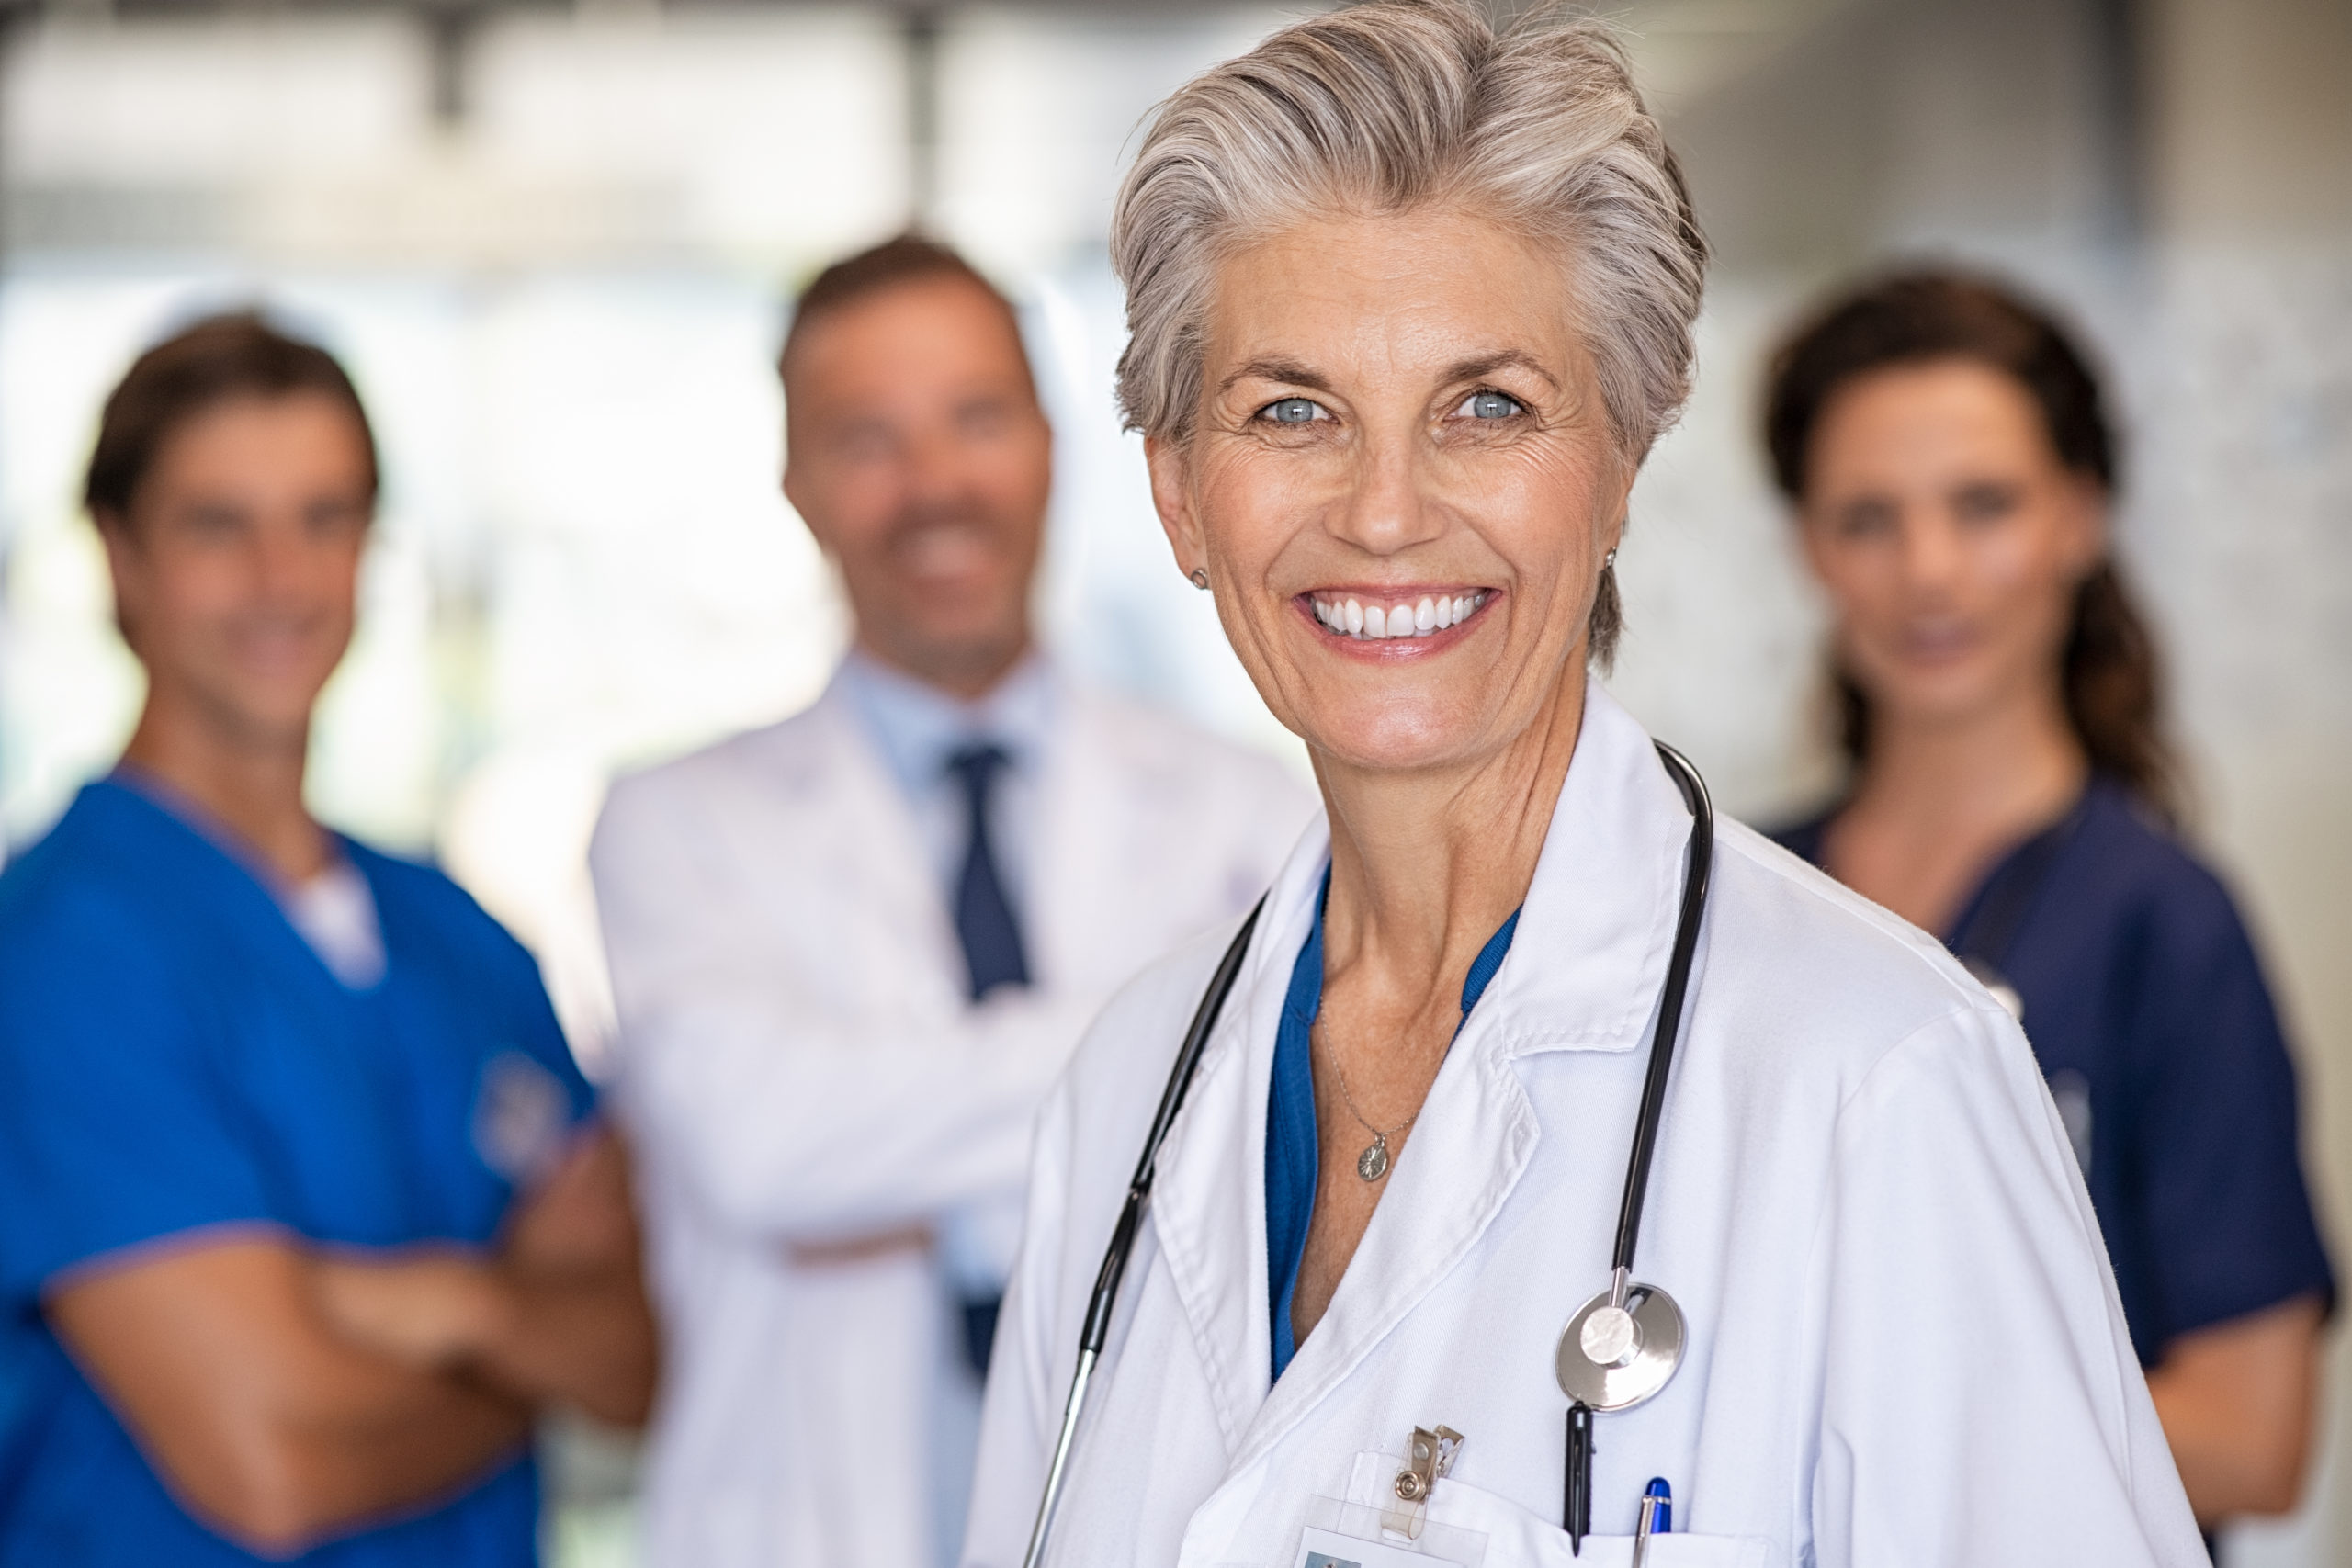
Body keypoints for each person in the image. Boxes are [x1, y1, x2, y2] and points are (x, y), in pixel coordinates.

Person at [961, 6, 2207, 1565]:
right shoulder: (1133, 1090)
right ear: (1178, 497)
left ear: (1617, 467)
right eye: (1292, 409)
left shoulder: (1879, 1075)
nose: (1386, 512)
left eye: (1489, 406)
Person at [590, 236, 1311, 1568]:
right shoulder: (677, 824)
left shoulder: (1258, 813)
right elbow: (763, 1148)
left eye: (976, 419)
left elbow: (1292, 1154)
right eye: (869, 438)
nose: (934, 486)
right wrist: (1176, 1041)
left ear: (1051, 444)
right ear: (796, 485)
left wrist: (893, 1124)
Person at [0, 314, 655, 1568]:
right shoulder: (59, 955)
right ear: (119, 558)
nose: (282, 580)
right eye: (217, 526)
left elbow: (637, 1355)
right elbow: (274, 1465)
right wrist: (522, 1335)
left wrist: (432, 1304)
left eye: (325, 519)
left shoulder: (460, 939)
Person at [1760, 270, 2334, 1531]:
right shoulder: (1740, 905)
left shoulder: (2163, 927)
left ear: (2080, 517)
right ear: (1808, 546)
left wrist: (1847, 1405)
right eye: (1868, 518)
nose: (1930, 572)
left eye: (1984, 505)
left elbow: (2253, 1438)